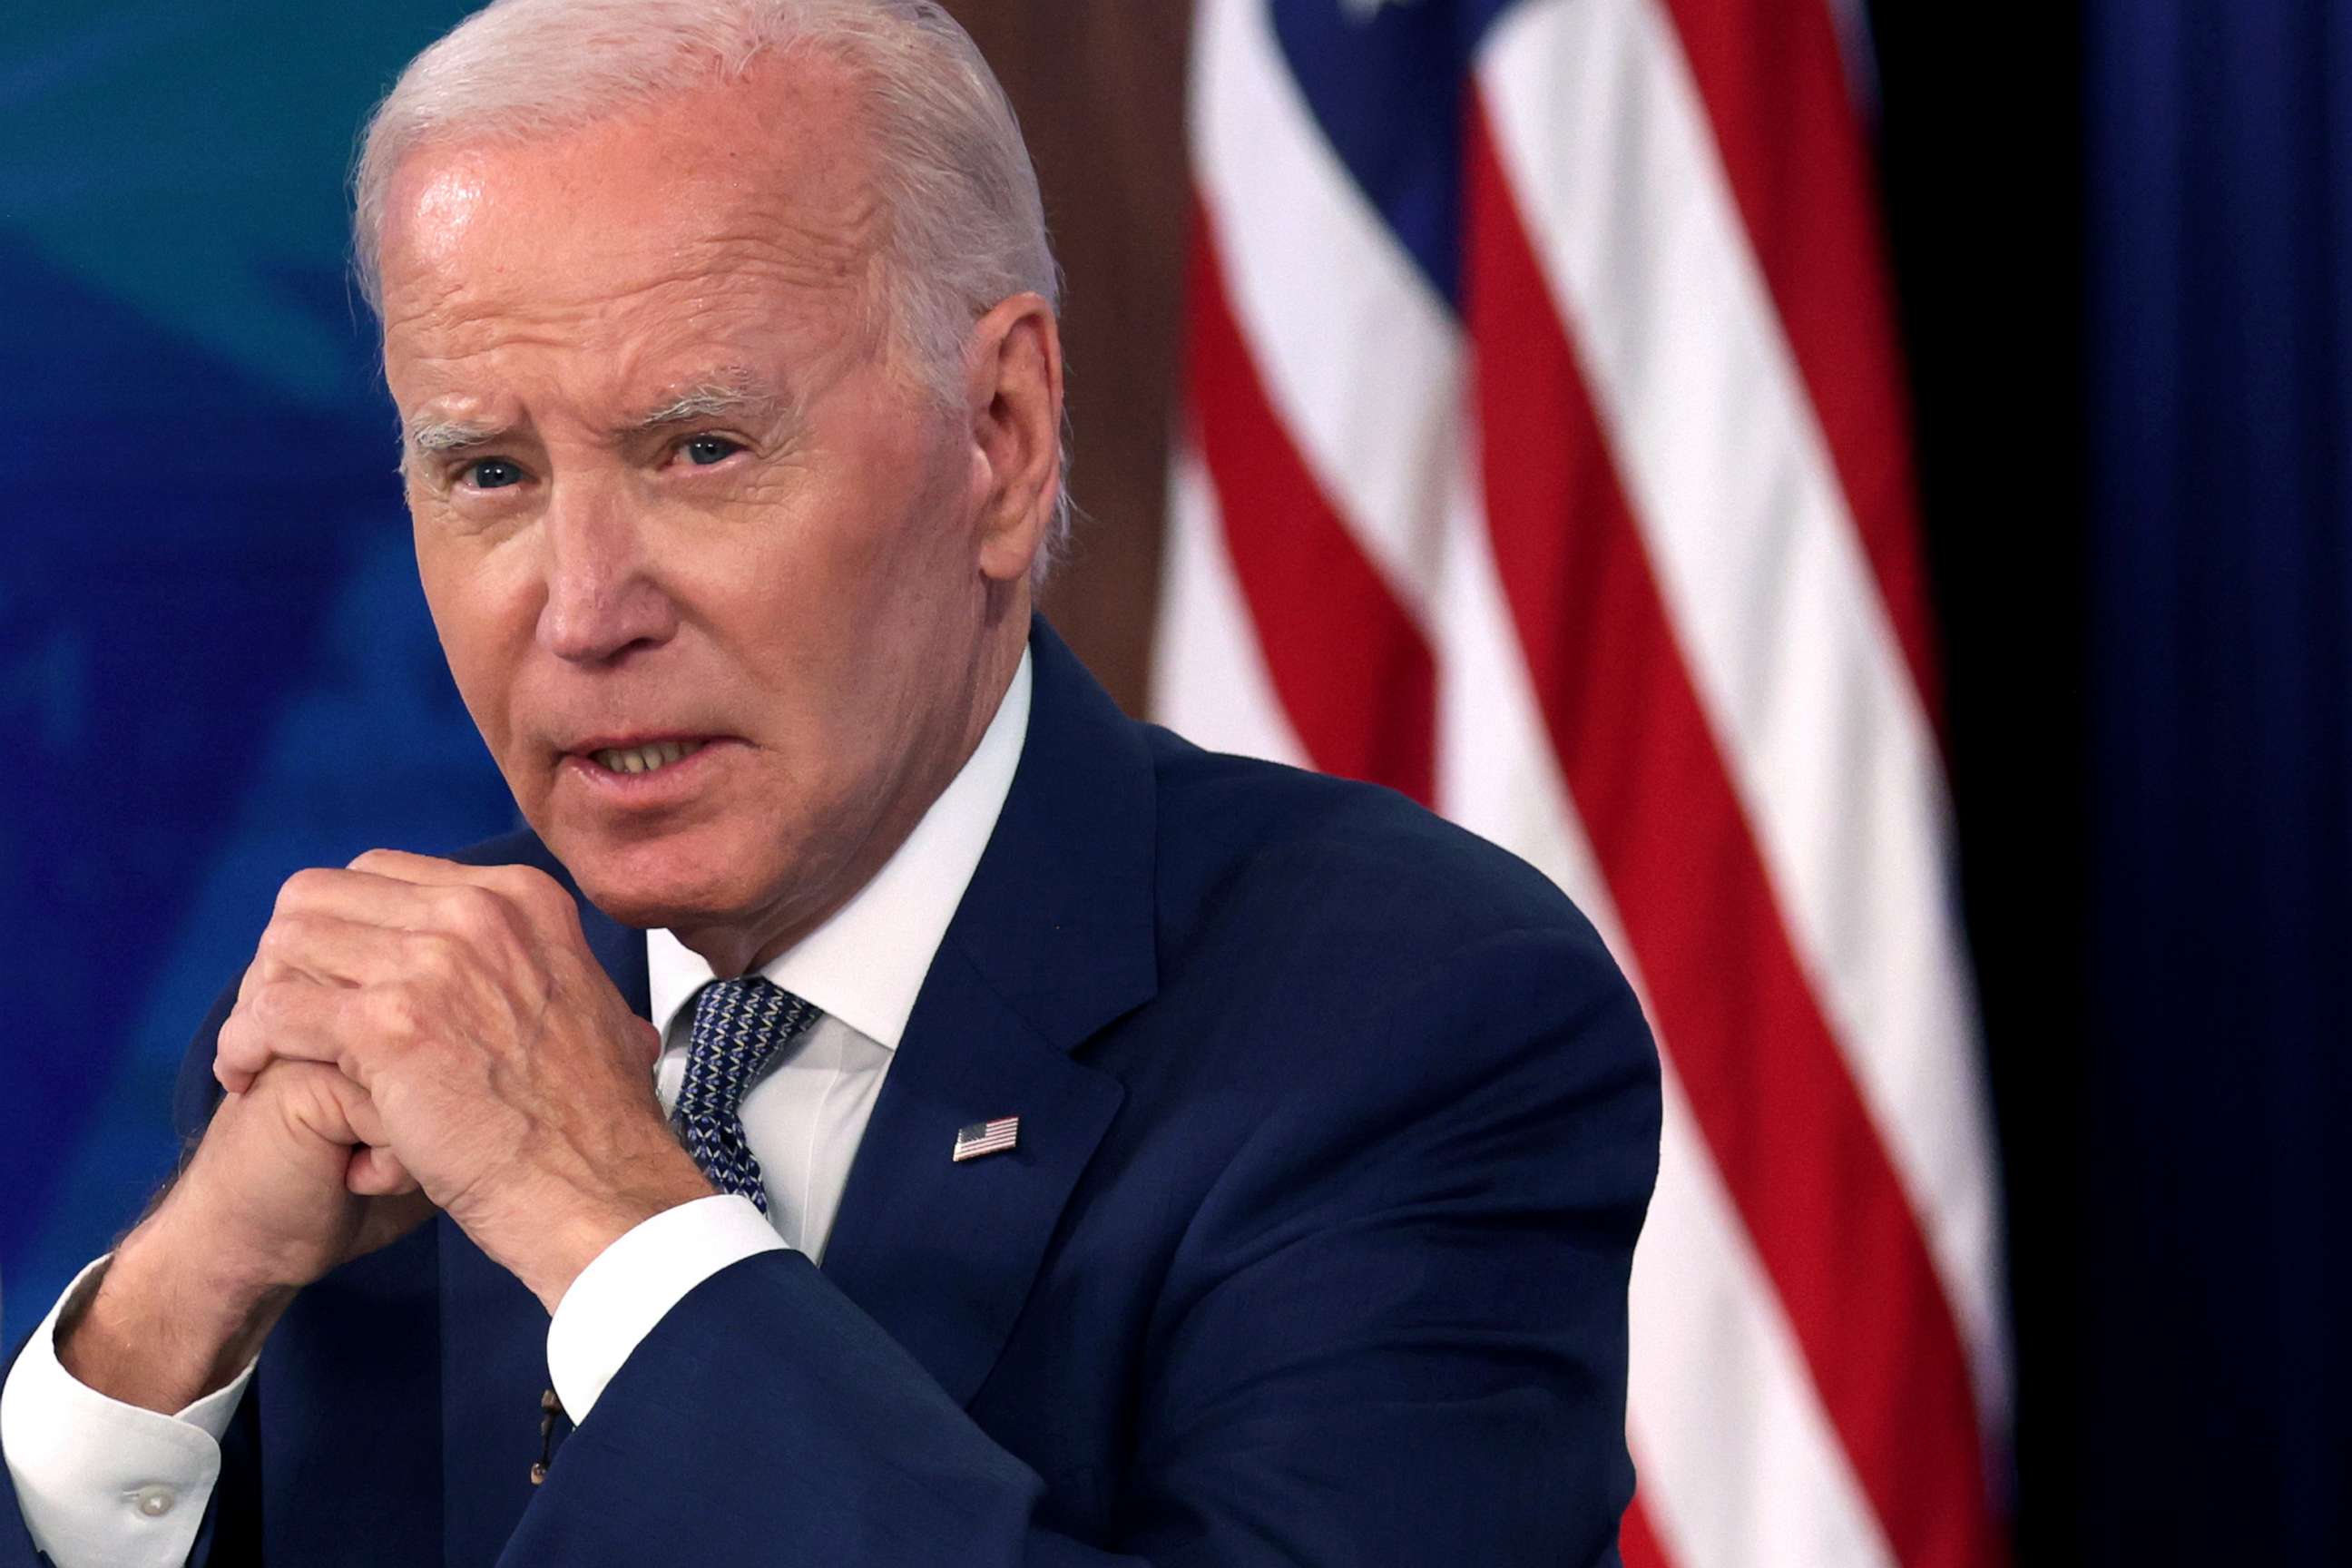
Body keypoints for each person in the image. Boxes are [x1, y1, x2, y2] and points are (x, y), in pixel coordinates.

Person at [0, 1, 1661, 1563]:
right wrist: (170, 1318)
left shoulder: (1412, 1021)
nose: (582, 614)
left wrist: (608, 1223)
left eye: (699, 450)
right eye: (490, 473)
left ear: (998, 434)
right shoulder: (398, 1036)